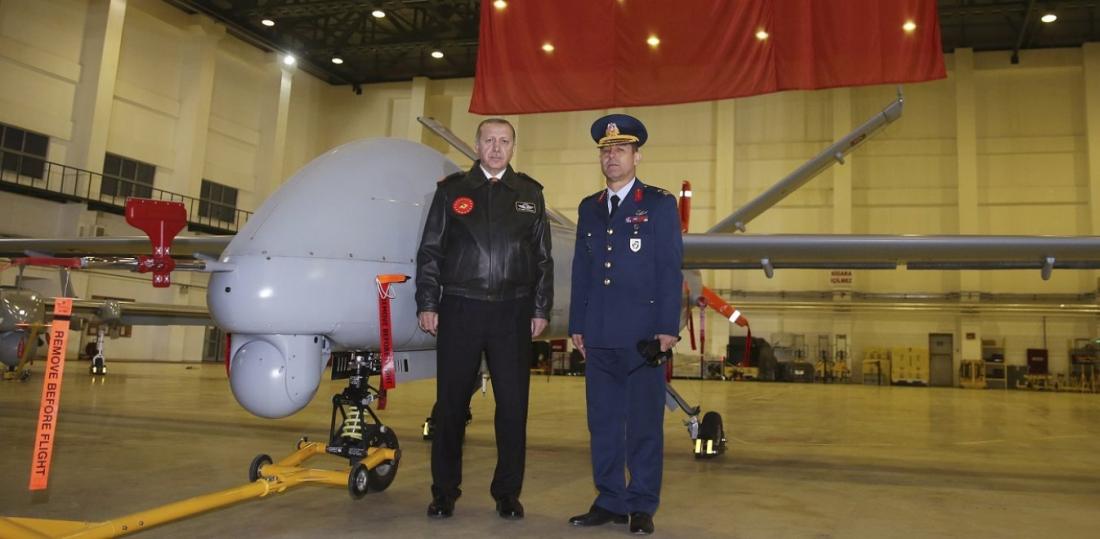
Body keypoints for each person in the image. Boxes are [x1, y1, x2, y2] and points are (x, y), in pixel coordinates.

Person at [415, 118, 553, 520]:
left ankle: (507, 493)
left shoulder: (530, 194)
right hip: (461, 307)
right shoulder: (451, 191)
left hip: (513, 312)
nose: (496, 148)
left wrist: (540, 308)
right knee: (450, 407)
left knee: (512, 408)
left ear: (513, 147)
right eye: (489, 140)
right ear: (476, 146)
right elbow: (431, 252)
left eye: (504, 141)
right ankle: (444, 492)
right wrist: (428, 302)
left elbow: (543, 260)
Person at [567, 114, 682, 535]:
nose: (611, 156)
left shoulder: (658, 204)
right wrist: (577, 323)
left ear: (637, 156)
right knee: (603, 424)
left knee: (644, 425)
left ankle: (642, 504)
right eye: (605, 150)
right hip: (598, 334)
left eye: (620, 149)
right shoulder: (590, 208)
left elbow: (670, 268)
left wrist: (667, 327)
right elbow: (582, 269)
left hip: (642, 337)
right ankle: (610, 500)